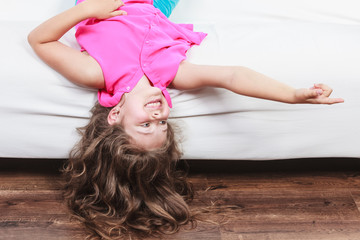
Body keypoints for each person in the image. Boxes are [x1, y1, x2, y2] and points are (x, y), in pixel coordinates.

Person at [27, 0, 344, 239]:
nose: (158, 114)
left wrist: (89, 9)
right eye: (161, 124)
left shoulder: (95, 73)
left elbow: (40, 40)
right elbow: (232, 75)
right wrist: (292, 94)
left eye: (145, 124)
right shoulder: (171, 76)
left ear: (115, 115)